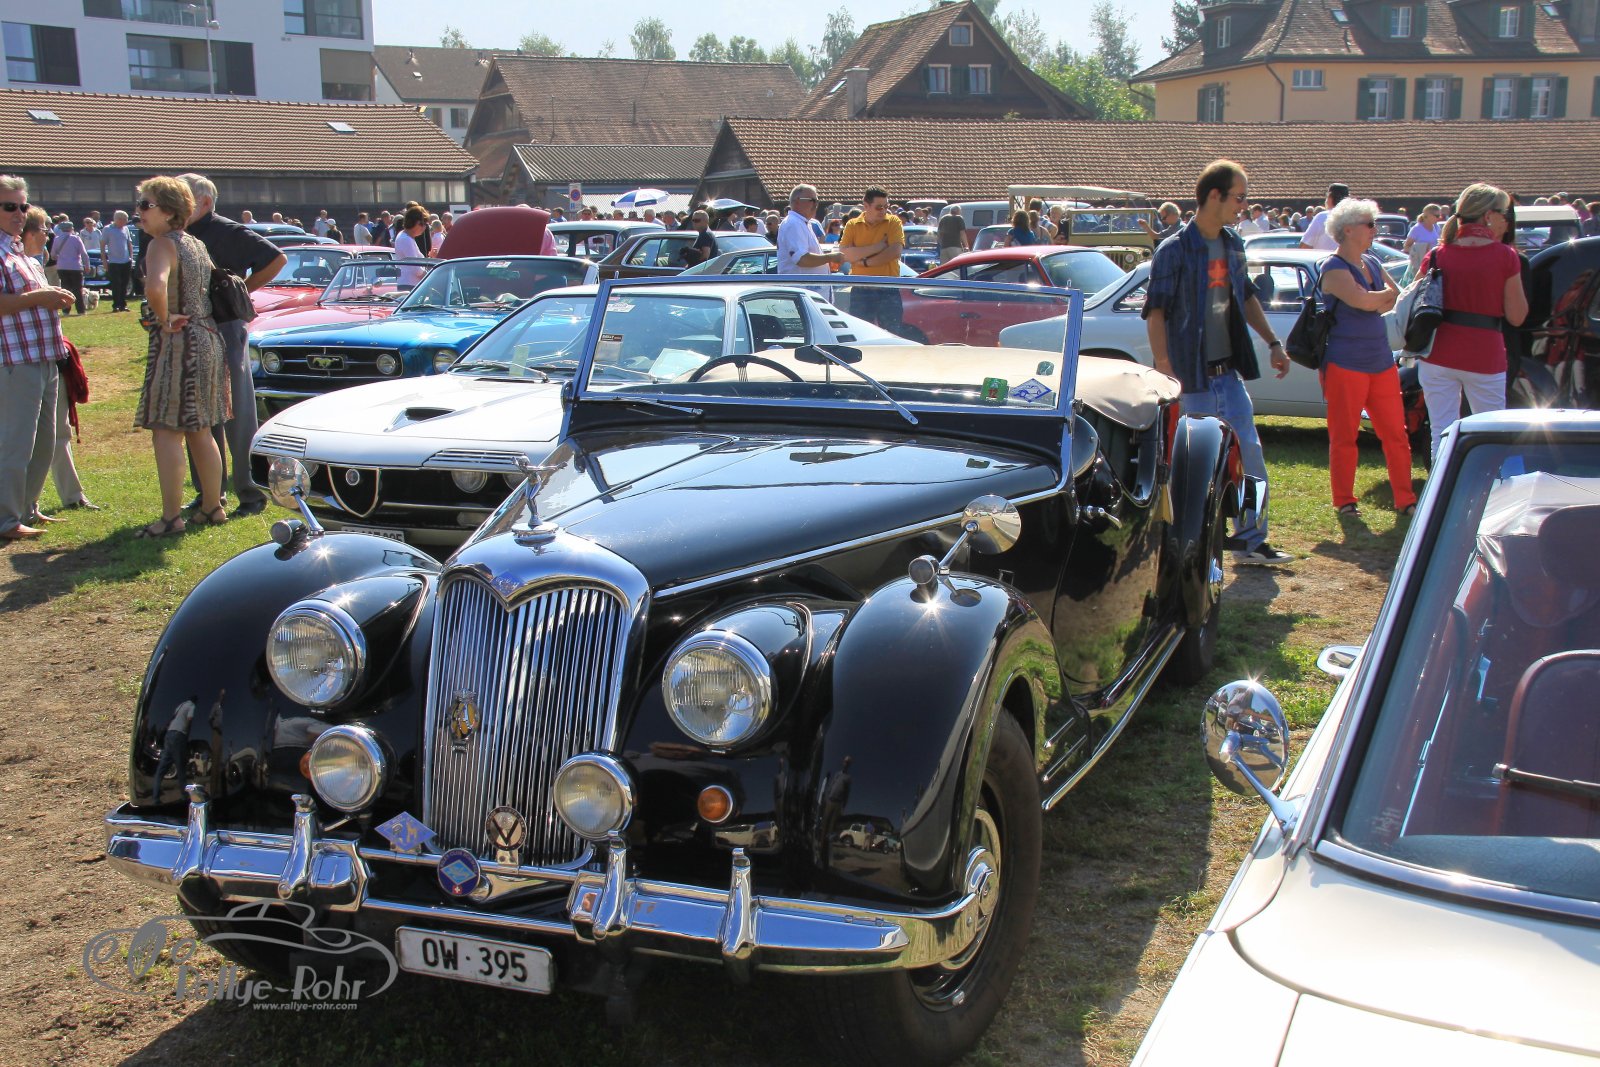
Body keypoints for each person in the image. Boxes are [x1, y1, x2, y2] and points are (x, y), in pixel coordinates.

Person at [1144, 159, 1295, 566]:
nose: (1243, 206)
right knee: (1190, 469)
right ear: (1215, 196)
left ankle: (1251, 541)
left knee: (1251, 458)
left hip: (1228, 376)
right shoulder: (1174, 250)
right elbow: (1155, 311)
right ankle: (1183, 546)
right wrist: (1164, 365)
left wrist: (1274, 343)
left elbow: (1246, 296)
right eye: (1239, 198)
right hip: (1190, 380)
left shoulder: (1233, 244)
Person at [177, 173, 283, 518]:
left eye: (184, 197)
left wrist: (241, 290)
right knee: (200, 412)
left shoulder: (227, 230)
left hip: (225, 324)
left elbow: (276, 259)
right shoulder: (175, 233)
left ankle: (250, 493)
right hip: (192, 327)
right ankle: (209, 492)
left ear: (205, 202)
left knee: (236, 410)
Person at [131, 176, 229, 538]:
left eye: (146, 205)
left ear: (169, 210)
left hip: (180, 342)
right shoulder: (196, 244)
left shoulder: (161, 244)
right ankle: (213, 507)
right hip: (208, 338)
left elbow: (155, 286)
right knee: (201, 429)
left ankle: (171, 518)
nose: (139, 212)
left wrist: (163, 318)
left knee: (167, 431)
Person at [1316, 198, 1414, 518]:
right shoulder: (1332, 267)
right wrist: (1377, 298)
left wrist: (1376, 298)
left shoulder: (1370, 261)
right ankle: (1344, 499)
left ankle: (1405, 499)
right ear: (1348, 230)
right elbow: (1363, 301)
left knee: (1396, 434)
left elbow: (1393, 298)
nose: (1375, 230)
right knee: (1345, 436)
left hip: (1381, 362)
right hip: (1344, 363)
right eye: (1370, 224)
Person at [1417, 183, 1527, 460]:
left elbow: (1414, 300)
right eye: (1503, 212)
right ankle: (1489, 486)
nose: (1505, 218)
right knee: (1492, 433)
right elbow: (1517, 316)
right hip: (1484, 354)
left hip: (1437, 353)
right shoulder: (1505, 256)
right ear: (1489, 215)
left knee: (1441, 432)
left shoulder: (1437, 255)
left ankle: (1441, 486)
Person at [0, 177, 73, 540]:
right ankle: (5, 519)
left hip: (45, 356)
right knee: (16, 443)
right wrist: (42, 297)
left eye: (23, 206)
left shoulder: (17, 251)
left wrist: (51, 294)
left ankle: (27, 507)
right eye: (9, 206)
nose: (19, 214)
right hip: (14, 360)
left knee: (45, 442)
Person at [16, 207, 96, 514]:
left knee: (56, 431)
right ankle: (17, 507)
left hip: (49, 356)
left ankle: (69, 496)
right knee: (22, 438)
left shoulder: (34, 264)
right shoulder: (11, 264)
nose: (49, 236)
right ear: (29, 233)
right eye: (44, 231)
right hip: (18, 361)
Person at [839, 187, 904, 333]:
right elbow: (845, 255)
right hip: (861, 289)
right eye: (879, 207)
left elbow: (895, 251)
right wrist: (878, 247)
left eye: (886, 206)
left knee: (893, 335)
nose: (884, 211)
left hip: (888, 288)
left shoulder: (894, 222)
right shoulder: (852, 225)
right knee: (860, 334)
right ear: (866, 205)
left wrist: (864, 261)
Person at [776, 184, 842, 275]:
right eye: (812, 200)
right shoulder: (793, 223)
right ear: (797, 201)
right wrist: (830, 257)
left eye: (817, 201)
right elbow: (801, 259)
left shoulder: (803, 223)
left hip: (808, 283)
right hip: (799, 283)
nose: (816, 205)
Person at [51, 221, 87, 314]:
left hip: (62, 267)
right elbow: (83, 253)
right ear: (71, 228)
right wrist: (87, 265)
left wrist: (61, 257)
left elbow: (53, 255)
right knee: (77, 289)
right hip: (75, 267)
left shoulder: (57, 239)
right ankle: (80, 310)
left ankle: (66, 310)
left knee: (65, 289)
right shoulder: (76, 239)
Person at [1299, 183, 1348, 251]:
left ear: (1330, 198)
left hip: (1323, 257)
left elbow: (1304, 246)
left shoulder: (1322, 217)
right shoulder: (1356, 219)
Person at [102, 209, 134, 312]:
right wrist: (104, 261)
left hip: (126, 260)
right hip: (113, 261)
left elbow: (129, 243)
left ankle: (123, 304)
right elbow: (102, 245)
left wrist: (131, 257)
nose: (126, 222)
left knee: (124, 284)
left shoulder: (126, 229)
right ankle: (116, 305)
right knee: (116, 284)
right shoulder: (107, 229)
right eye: (124, 220)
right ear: (118, 219)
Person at [1402, 204, 1441, 281]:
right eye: (1437, 216)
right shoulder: (1417, 229)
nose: (1439, 218)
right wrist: (1421, 248)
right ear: (1428, 215)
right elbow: (1406, 247)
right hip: (1420, 265)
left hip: (1433, 263)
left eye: (1440, 215)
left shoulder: (1436, 227)